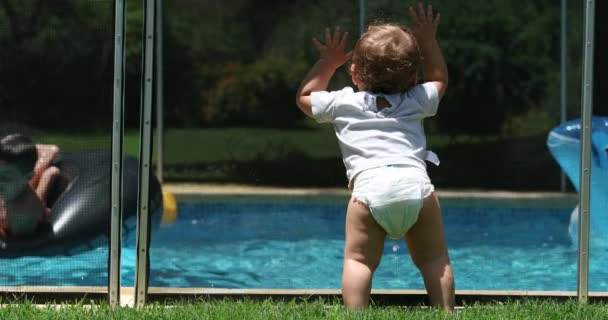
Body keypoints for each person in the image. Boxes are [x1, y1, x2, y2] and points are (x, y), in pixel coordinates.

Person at [295, 3, 454, 311]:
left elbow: (304, 98)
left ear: (354, 73)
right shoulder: (417, 100)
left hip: (369, 193)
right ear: (412, 77)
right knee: (435, 259)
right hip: (417, 189)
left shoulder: (343, 102)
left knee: (358, 261)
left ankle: (356, 315)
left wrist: (327, 63)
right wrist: (429, 42)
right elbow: (439, 80)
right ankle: (445, 312)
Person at [0, 133, 60, 239]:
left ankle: (48, 176)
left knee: (35, 197)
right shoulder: (13, 185)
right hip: (20, 192)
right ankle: (49, 166)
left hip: (29, 206)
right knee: (22, 184)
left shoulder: (23, 217)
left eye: (5, 177)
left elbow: (16, 245)